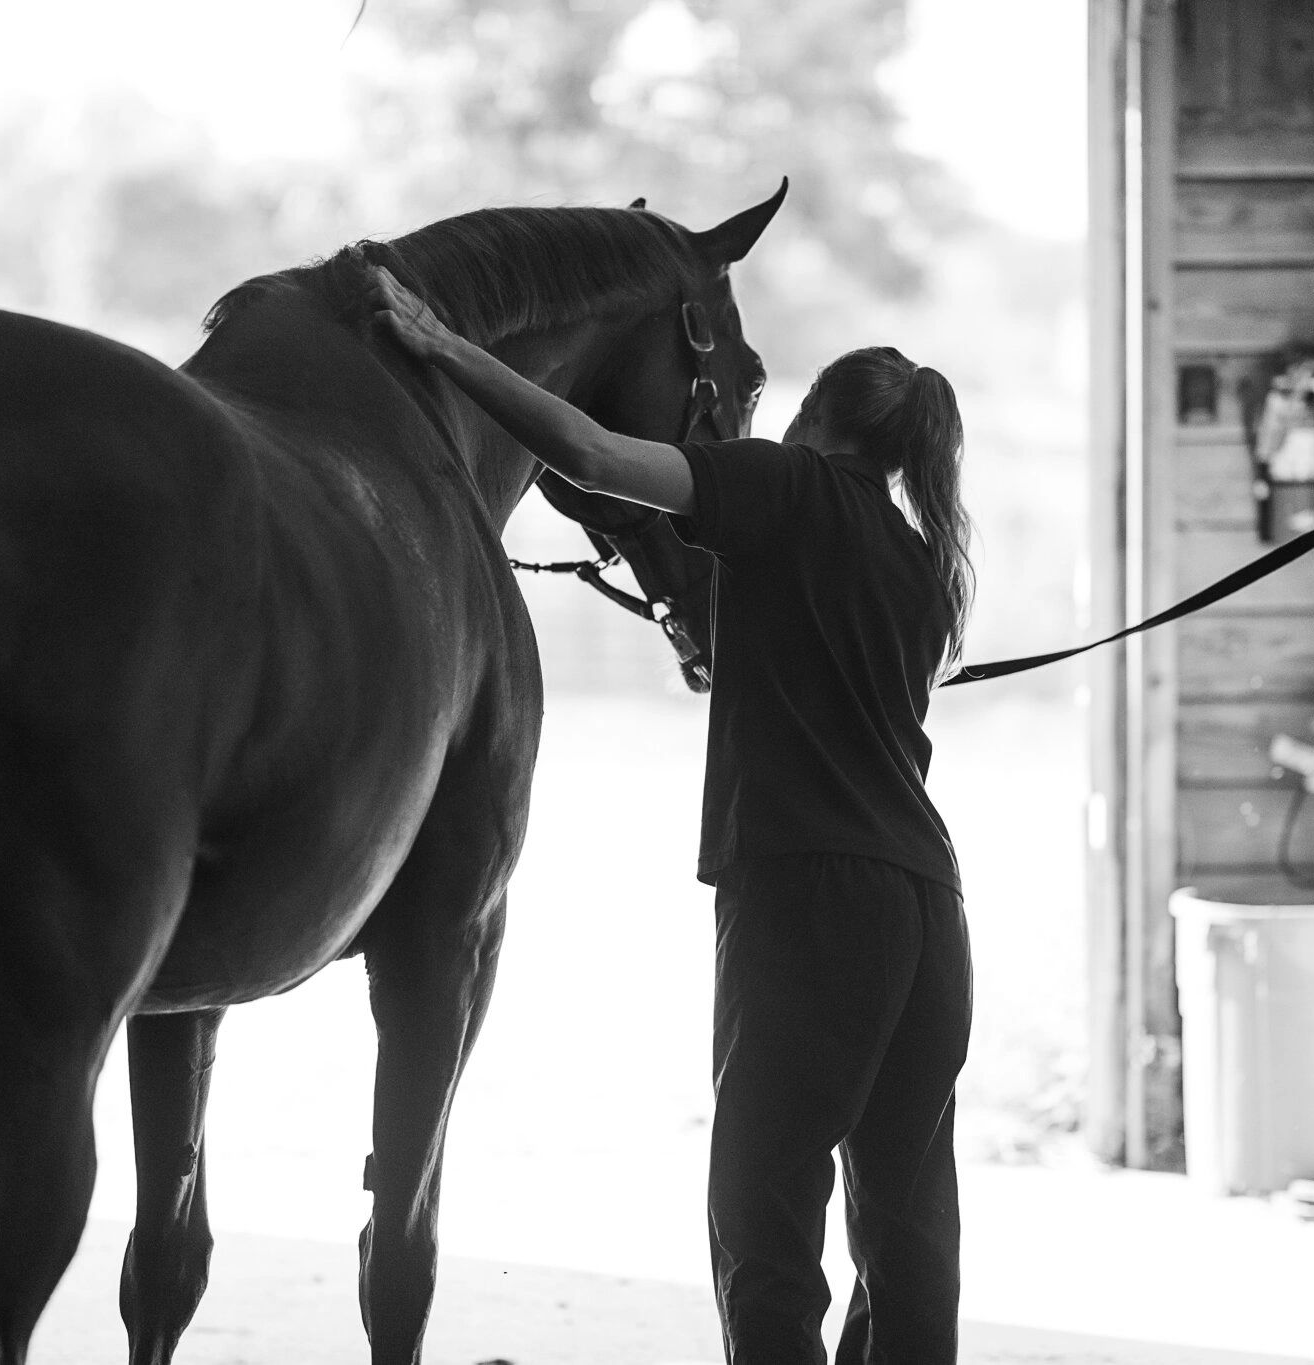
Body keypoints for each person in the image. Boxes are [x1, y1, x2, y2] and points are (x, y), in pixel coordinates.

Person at [368, 263, 974, 1365]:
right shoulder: (923, 568)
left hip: (811, 893)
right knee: (907, 1226)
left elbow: (598, 459)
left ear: (811, 420)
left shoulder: (785, 489)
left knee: (764, 1213)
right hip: (929, 910)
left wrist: (449, 351)